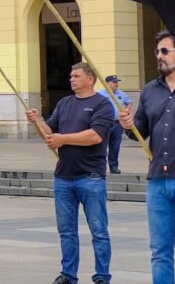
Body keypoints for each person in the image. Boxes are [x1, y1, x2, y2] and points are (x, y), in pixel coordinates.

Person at [118, 30, 175, 283]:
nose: (159, 57)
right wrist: (128, 125)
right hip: (158, 184)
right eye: (157, 52)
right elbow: (140, 131)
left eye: (165, 51)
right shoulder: (151, 90)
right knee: (160, 253)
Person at [26, 62, 114, 284]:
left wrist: (63, 139)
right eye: (70, 76)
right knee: (66, 231)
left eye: (76, 76)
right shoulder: (64, 103)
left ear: (90, 79)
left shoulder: (102, 104)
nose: (71, 79)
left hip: (91, 177)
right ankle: (68, 274)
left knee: (99, 231)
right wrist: (37, 120)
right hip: (64, 177)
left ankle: (102, 276)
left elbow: (96, 136)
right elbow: (49, 133)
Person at [102, 76, 130, 175]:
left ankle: (114, 167)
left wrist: (127, 110)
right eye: (114, 82)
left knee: (115, 146)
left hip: (118, 124)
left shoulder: (121, 94)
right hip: (105, 123)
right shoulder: (100, 94)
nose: (116, 84)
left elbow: (129, 102)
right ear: (107, 83)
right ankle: (100, 167)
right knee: (102, 146)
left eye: (116, 82)